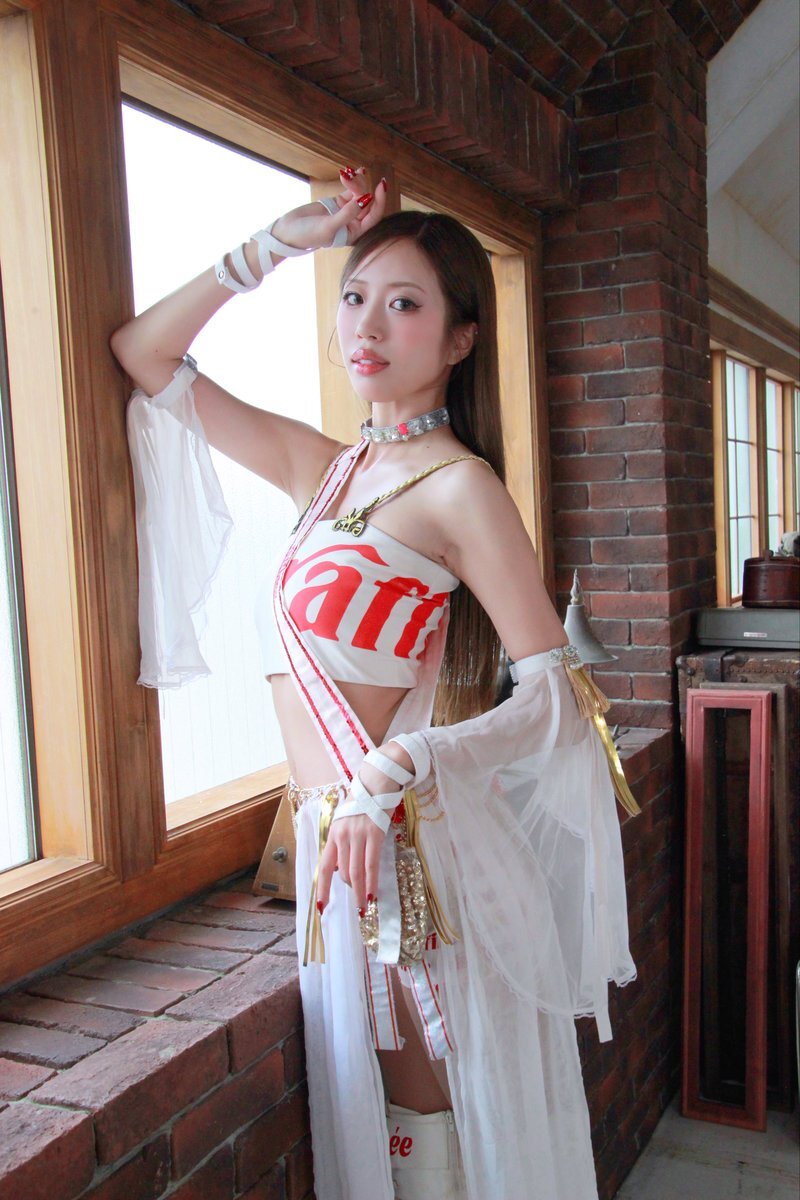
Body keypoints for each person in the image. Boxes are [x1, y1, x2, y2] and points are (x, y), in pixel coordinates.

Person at [112, 168, 638, 1200]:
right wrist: (282, 239)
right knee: (393, 1143)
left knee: (430, 1143)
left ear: (459, 338)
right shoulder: (326, 473)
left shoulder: (460, 488)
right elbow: (146, 355)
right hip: (336, 850)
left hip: (410, 852)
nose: (366, 324)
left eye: (404, 304)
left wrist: (396, 766)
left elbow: (558, 705)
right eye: (354, 297)